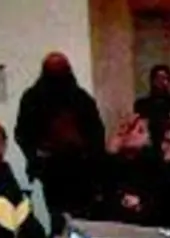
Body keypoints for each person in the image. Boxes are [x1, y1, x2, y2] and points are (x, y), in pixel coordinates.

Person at [14, 52, 105, 229]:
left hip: (81, 168)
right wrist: (37, 154)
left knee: (83, 218)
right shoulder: (33, 98)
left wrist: (90, 156)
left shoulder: (81, 99)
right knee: (57, 217)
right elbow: (22, 132)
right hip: (51, 169)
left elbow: (96, 133)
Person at [133, 64, 170, 141]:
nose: (161, 82)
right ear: (152, 80)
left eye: (165, 78)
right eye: (158, 78)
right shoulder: (142, 104)